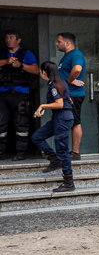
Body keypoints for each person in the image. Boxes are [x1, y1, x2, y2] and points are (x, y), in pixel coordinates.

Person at [31, 61, 75, 192]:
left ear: (44, 73)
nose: (40, 74)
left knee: (62, 149)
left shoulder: (54, 86)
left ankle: (69, 181)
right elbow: (69, 100)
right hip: (59, 117)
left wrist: (43, 106)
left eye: (41, 72)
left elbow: (60, 104)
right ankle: (54, 159)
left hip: (62, 118)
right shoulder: (61, 83)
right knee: (37, 137)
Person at [0, 30, 40, 161]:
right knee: (1, 124)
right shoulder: (2, 54)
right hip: (3, 94)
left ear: (18, 40)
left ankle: (21, 152)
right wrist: (5, 61)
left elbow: (36, 70)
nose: (8, 40)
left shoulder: (26, 54)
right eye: (6, 38)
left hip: (21, 94)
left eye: (11, 37)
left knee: (21, 124)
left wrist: (21, 65)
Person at [55, 33, 85, 161]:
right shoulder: (66, 57)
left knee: (75, 122)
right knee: (66, 122)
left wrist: (70, 80)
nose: (56, 43)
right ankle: (65, 151)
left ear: (67, 43)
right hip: (66, 94)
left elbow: (77, 69)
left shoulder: (76, 55)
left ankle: (75, 152)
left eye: (59, 41)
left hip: (73, 94)